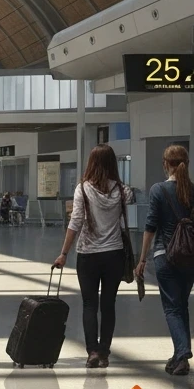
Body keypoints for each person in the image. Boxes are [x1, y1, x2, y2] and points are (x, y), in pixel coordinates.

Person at [53, 144, 133, 369]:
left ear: (92, 163)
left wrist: (63, 253)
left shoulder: (83, 189)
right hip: (114, 254)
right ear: (112, 163)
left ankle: (92, 352)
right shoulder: (122, 190)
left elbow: (76, 222)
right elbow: (128, 206)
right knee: (109, 305)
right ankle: (105, 352)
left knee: (89, 304)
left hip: (88, 255)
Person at [136, 144, 194, 376]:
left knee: (172, 308)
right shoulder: (192, 190)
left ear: (165, 164)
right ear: (186, 164)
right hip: (190, 258)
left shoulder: (158, 190)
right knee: (181, 305)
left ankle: (183, 353)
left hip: (165, 256)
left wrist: (142, 259)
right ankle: (180, 355)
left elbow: (150, 227)